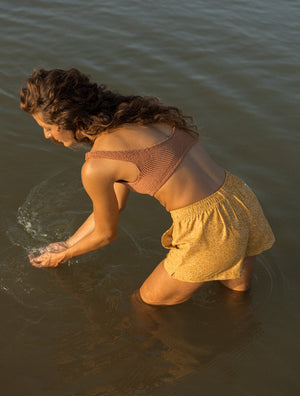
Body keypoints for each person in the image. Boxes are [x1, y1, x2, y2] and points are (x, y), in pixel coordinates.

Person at [20, 68, 275, 306]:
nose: (47, 136)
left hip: (206, 227)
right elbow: (116, 205)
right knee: (236, 300)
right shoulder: (142, 118)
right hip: (240, 198)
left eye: (48, 127)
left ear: (68, 119)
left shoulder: (96, 166)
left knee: (143, 306)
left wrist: (61, 257)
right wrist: (68, 243)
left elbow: (106, 234)